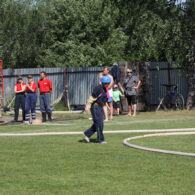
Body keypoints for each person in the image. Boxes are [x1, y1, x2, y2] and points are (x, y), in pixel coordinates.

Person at [83, 76, 111, 144]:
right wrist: (87, 108)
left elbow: (104, 100)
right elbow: (91, 99)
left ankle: (87, 134)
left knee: (98, 123)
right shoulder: (98, 88)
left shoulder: (105, 89)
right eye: (105, 83)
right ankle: (100, 140)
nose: (106, 84)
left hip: (100, 107)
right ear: (102, 82)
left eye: (108, 83)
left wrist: (108, 107)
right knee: (99, 123)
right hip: (95, 107)